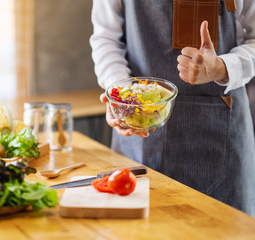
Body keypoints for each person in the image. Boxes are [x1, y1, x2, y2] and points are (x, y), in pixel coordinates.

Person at [90, 0, 255, 216]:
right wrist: (121, 95)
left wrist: (221, 67)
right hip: (139, 139)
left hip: (221, 135)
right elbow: (106, 38)